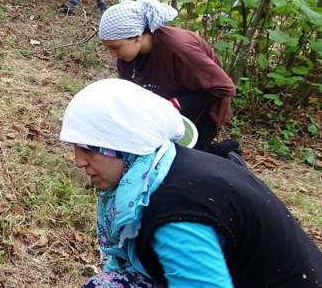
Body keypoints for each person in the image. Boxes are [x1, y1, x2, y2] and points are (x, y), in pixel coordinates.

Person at [61, 79, 322, 288]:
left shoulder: (176, 213)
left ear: (125, 144)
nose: (78, 161)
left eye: (89, 150)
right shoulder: (164, 166)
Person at [98, 0, 236, 151]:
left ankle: (228, 152)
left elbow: (225, 88)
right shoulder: (128, 54)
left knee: (188, 156)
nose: (112, 54)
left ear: (138, 37)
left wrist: (175, 104)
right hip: (169, 98)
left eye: (115, 47)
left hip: (203, 105)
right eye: (108, 48)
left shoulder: (180, 49)